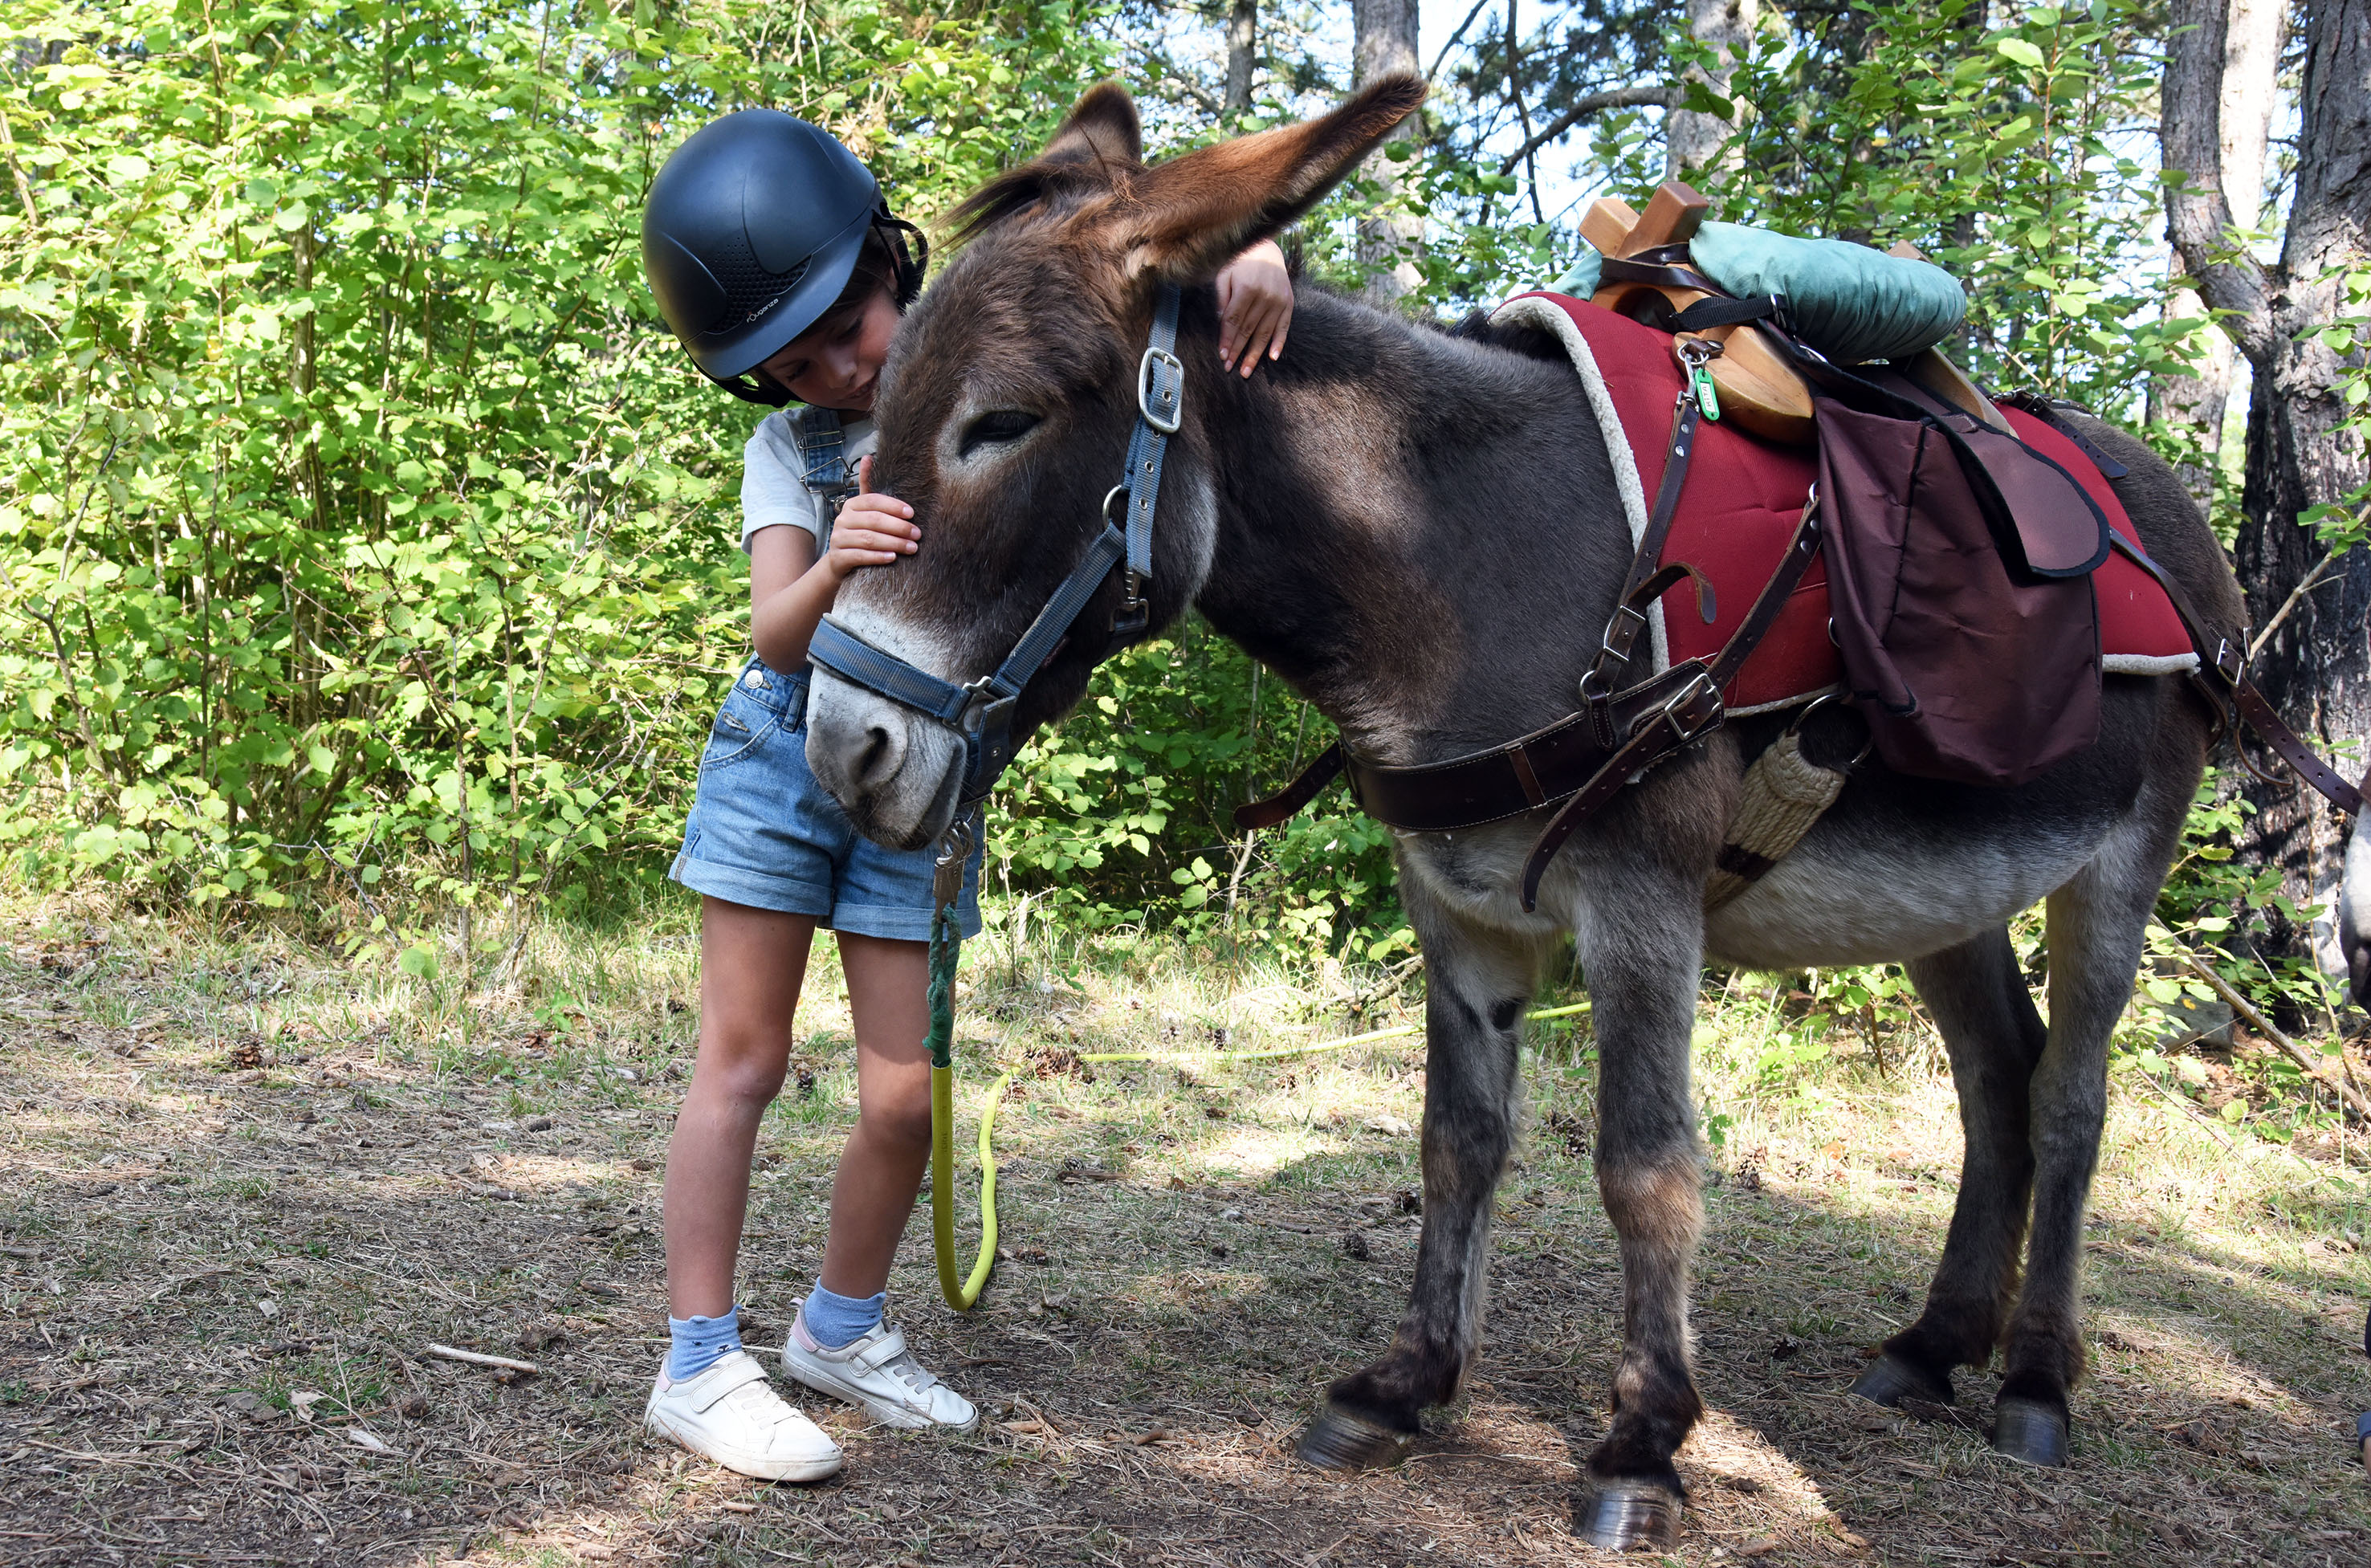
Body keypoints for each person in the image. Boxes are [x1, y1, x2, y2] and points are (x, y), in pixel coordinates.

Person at [635, 108, 1296, 1481]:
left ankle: (841, 1327)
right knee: (743, 1061)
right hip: (778, 753)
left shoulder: (983, 350)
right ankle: (697, 1360)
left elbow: (1127, 259)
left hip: (918, 780)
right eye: (792, 362)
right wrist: (834, 563)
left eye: (847, 324)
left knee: (900, 1096)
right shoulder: (790, 459)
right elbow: (772, 634)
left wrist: (1260, 252)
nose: (834, 368)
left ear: (892, 261)